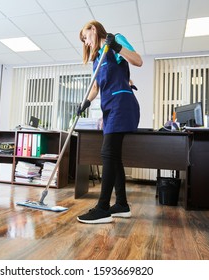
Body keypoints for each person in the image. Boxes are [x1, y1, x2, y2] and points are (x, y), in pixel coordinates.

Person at [77, 20, 143, 224]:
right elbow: (96, 87)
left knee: (107, 153)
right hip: (109, 108)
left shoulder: (115, 41)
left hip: (122, 103)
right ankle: (121, 205)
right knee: (114, 157)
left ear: (93, 29)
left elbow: (138, 61)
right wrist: (85, 102)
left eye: (86, 38)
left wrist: (116, 46)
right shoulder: (97, 58)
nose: (86, 43)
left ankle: (103, 207)